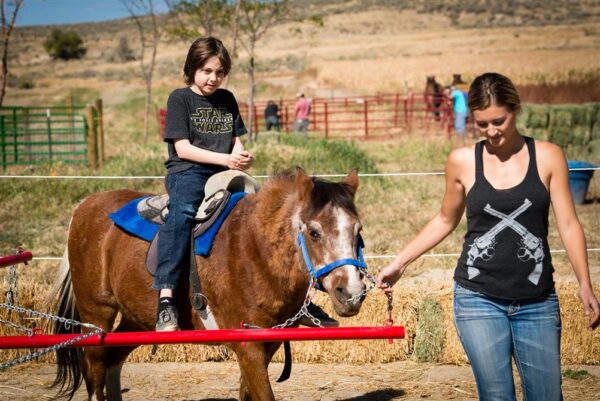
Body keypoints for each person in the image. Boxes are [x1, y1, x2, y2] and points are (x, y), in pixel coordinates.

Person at [376, 72, 600, 401]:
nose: (492, 132)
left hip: (537, 302)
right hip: (477, 300)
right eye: (482, 124)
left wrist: (585, 283)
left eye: (499, 121)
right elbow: (444, 219)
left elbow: (568, 222)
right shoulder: (462, 161)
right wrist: (400, 262)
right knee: (497, 396)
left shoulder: (549, 156)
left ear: (516, 110)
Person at [155, 36, 254, 332]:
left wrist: (241, 157)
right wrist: (225, 160)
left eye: (220, 72)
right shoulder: (179, 99)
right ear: (193, 69)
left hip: (224, 172)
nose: (213, 78)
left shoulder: (227, 99)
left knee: (261, 210)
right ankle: (166, 297)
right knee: (182, 213)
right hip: (189, 172)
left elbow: (236, 141)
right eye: (207, 71)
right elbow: (183, 148)